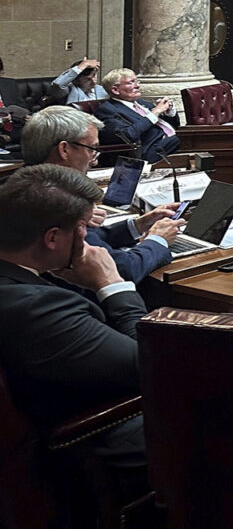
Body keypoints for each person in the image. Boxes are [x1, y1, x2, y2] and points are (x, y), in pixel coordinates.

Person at [0, 165, 153, 501]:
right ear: (52, 237)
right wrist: (112, 286)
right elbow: (147, 366)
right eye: (82, 227)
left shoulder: (23, 281)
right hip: (83, 444)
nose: (86, 239)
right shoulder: (35, 309)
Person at [22, 106, 185, 284]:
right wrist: (158, 239)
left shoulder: (19, 187)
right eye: (91, 149)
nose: (95, 159)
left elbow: (88, 240)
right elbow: (121, 270)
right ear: (64, 150)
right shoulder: (57, 200)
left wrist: (137, 225)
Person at [95, 68, 179, 162]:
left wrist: (169, 112)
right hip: (148, 150)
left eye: (137, 81)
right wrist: (155, 112)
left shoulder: (142, 103)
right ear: (115, 90)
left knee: (188, 136)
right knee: (188, 139)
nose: (137, 86)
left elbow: (173, 126)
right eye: (131, 83)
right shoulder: (107, 110)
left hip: (168, 141)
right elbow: (126, 135)